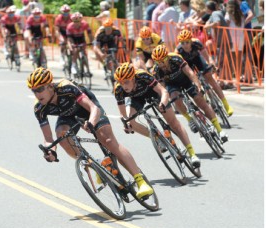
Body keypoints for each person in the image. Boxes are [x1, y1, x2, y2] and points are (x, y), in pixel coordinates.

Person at [27, 67, 154, 199]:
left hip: (88, 109)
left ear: (50, 86)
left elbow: (93, 108)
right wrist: (51, 150)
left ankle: (140, 181)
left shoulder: (66, 88)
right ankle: (96, 164)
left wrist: (91, 123)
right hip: (68, 116)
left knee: (109, 142)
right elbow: (48, 138)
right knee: (61, 135)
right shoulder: (39, 108)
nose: (37, 94)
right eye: (33, 90)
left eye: (40, 89)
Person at [113, 62, 201, 167]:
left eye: (126, 82)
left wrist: (163, 103)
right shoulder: (118, 89)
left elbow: (163, 91)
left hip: (154, 93)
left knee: (173, 123)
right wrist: (126, 123)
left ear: (133, 78)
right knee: (130, 121)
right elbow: (123, 114)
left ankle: (192, 154)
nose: (123, 86)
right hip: (136, 99)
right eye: (121, 82)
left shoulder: (142, 75)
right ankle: (157, 139)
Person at [151, 44, 228, 143]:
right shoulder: (156, 70)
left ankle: (220, 130)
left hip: (186, 80)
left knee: (200, 101)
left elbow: (190, 73)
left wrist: (198, 86)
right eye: (158, 62)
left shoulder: (176, 58)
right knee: (175, 98)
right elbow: (163, 89)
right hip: (172, 85)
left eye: (162, 61)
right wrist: (167, 101)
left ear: (167, 57)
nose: (161, 64)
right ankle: (189, 119)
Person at [175, 29, 234, 116]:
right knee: (193, 81)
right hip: (187, 64)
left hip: (197, 59)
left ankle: (226, 104)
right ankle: (206, 102)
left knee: (210, 78)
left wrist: (212, 64)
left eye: (187, 42)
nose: (185, 45)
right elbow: (181, 67)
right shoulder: (178, 50)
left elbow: (207, 57)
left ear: (191, 41)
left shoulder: (197, 43)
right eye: (182, 43)